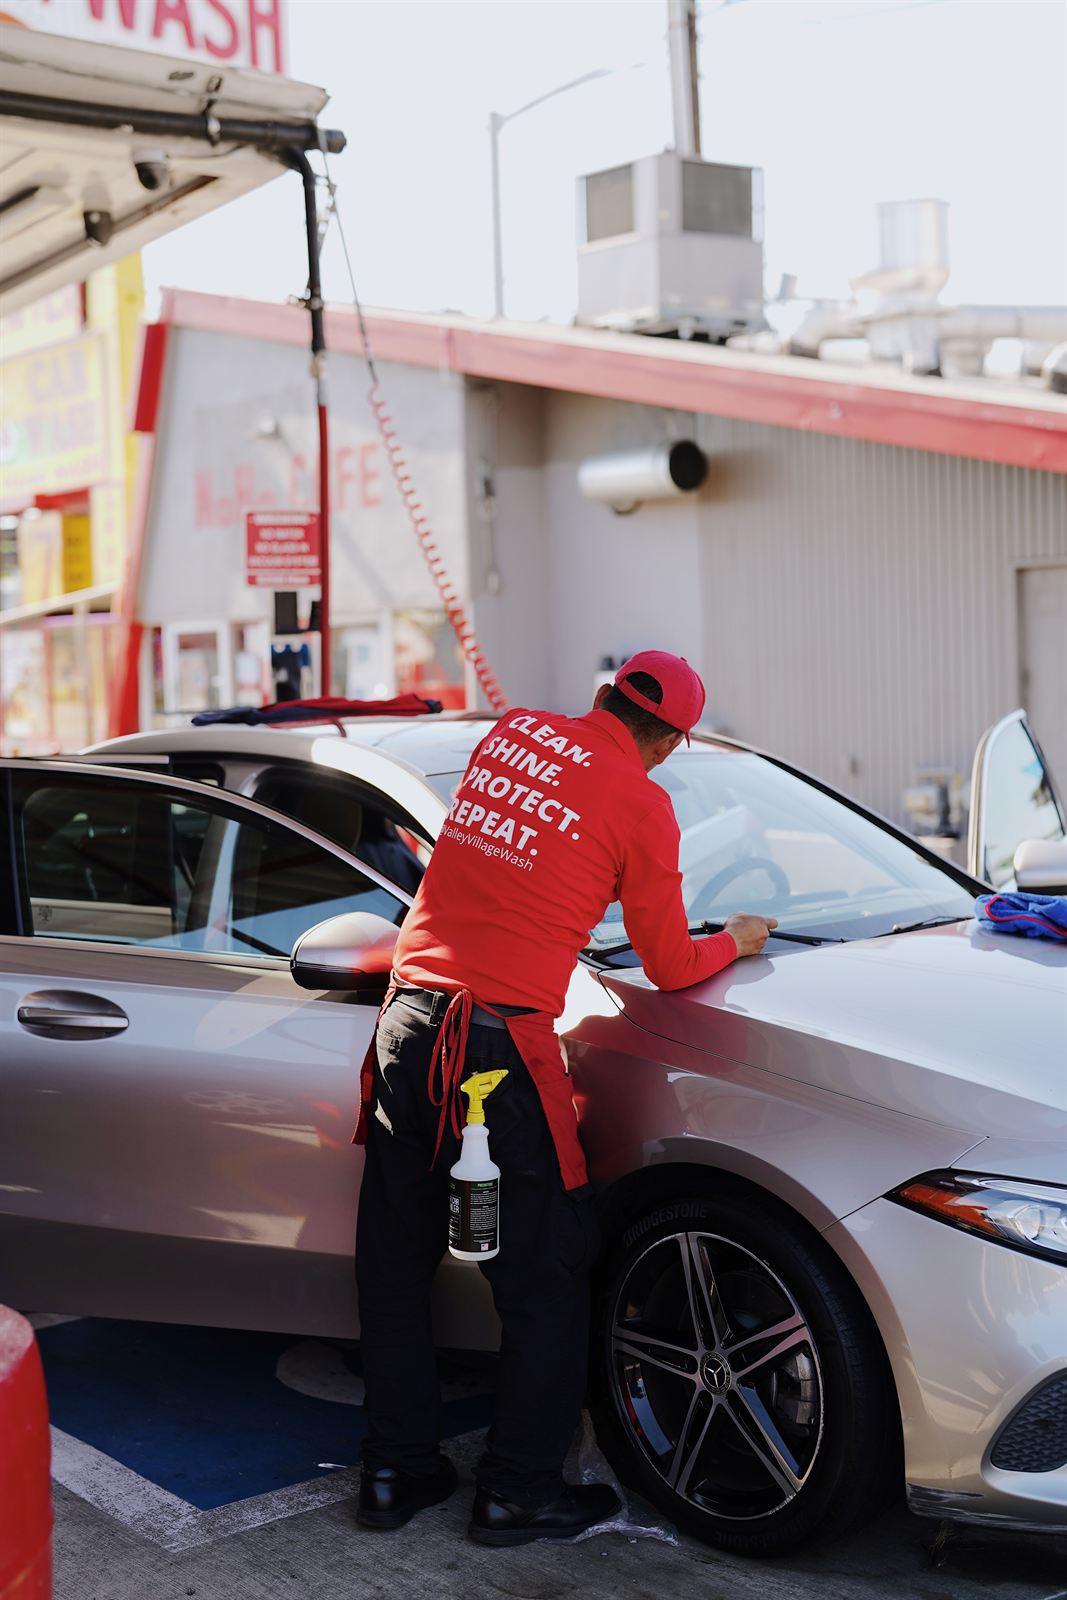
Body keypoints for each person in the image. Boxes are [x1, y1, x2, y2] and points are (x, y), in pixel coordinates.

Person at [352, 651, 777, 1546]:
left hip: (405, 1029)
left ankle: (395, 1473)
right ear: (668, 742)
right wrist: (732, 941)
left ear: (598, 696)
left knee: (393, 1266)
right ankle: (516, 1492)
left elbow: (513, 860)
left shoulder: (511, 736)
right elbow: (666, 964)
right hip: (497, 1053)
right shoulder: (643, 803)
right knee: (546, 1280)